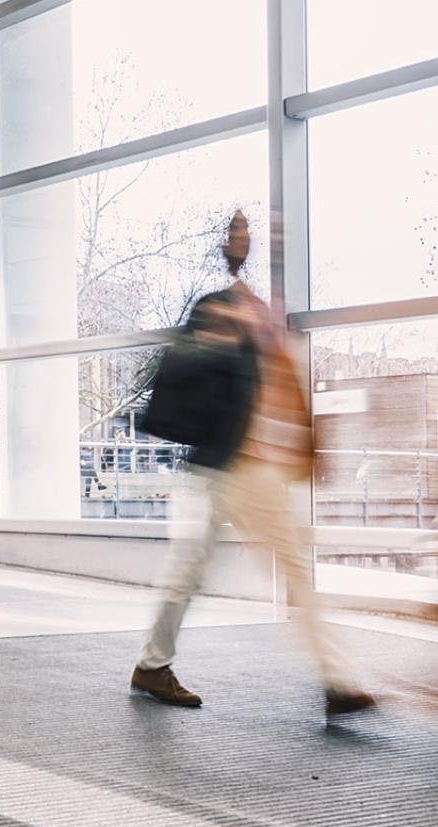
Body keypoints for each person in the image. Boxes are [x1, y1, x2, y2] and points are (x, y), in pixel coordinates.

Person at [131, 210, 372, 718]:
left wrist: (305, 448)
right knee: (265, 569)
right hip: (231, 464)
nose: (244, 240)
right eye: (236, 232)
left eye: (250, 233)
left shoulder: (261, 313)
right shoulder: (220, 310)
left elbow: (280, 394)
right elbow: (187, 373)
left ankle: (154, 664)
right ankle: (334, 678)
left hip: (245, 468)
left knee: (200, 567)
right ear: (226, 245)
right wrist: (219, 341)